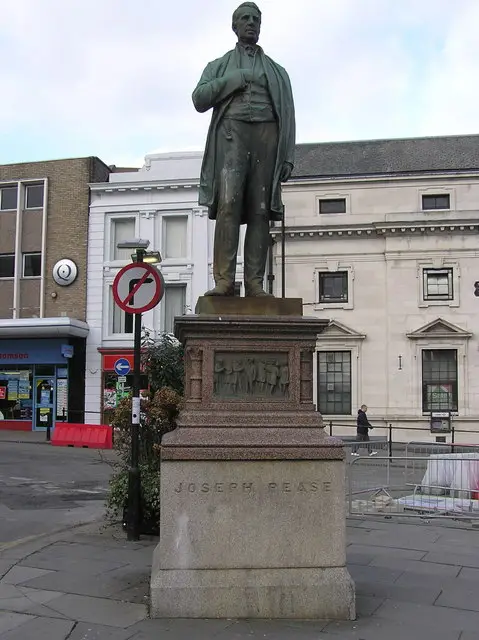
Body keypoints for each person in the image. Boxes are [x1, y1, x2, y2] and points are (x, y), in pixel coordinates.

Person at [192, 2, 296, 297]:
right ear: (234, 26)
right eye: (244, 19)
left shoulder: (278, 71)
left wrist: (287, 156)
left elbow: (288, 114)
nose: (251, 23)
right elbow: (199, 99)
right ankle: (224, 281)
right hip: (232, 136)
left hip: (267, 137)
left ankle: (255, 283)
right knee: (228, 205)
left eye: (255, 19)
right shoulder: (219, 66)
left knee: (260, 210)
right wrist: (232, 81)